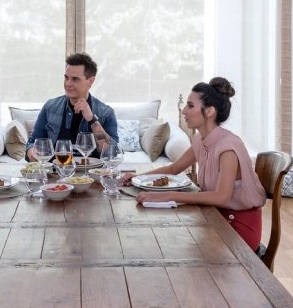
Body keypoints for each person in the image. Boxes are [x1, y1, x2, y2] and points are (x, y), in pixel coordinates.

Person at [123, 77, 266, 251]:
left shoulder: (228, 148)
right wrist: (137, 178)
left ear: (210, 111)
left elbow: (221, 197)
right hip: (214, 214)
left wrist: (168, 195)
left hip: (236, 226)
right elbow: (174, 168)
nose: (184, 111)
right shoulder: (201, 139)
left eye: (190, 106)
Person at [25, 52, 118, 161]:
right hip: (55, 174)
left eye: (75, 79)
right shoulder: (50, 107)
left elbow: (111, 154)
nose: (68, 84)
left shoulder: (106, 112)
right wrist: (33, 154)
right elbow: (32, 143)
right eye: (66, 78)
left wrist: (92, 119)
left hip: (91, 175)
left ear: (90, 81)